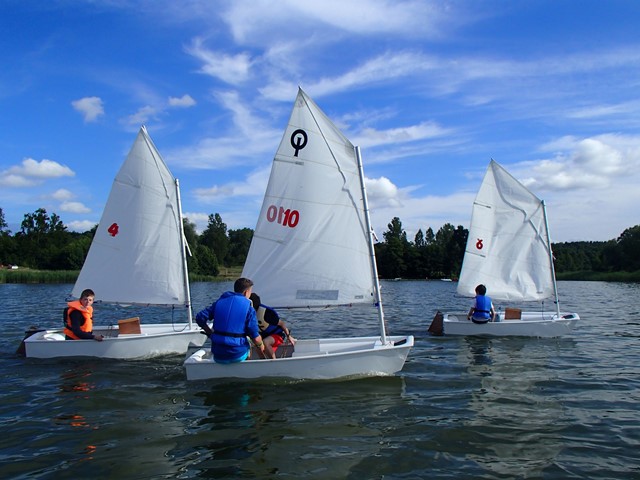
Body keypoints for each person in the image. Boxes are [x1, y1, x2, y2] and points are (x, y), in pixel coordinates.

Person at [195, 277, 264, 363]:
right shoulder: (249, 309)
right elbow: (256, 338)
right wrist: (261, 345)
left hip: (218, 355)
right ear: (246, 292)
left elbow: (199, 317)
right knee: (249, 342)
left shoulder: (219, 302)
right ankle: (247, 366)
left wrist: (210, 333)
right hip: (237, 355)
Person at [250, 293, 296, 359]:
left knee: (265, 342)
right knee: (257, 344)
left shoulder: (267, 313)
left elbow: (282, 324)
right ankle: (263, 361)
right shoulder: (249, 314)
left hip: (277, 335)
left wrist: (289, 337)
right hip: (263, 336)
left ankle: (274, 361)